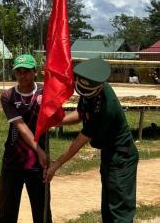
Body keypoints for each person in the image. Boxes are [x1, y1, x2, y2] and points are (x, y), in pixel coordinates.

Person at [45, 58, 139, 223]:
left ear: (100, 86)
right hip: (110, 153)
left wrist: (55, 165)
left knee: (120, 211)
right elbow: (81, 114)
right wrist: (55, 122)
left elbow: (79, 141)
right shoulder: (91, 87)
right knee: (109, 207)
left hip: (122, 156)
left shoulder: (106, 107)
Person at [0, 54, 50, 223]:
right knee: (7, 210)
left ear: (35, 72)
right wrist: (40, 150)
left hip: (38, 164)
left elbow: (57, 116)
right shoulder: (8, 96)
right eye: (18, 71)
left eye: (26, 71)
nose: (22, 75)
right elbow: (21, 126)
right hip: (14, 160)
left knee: (42, 210)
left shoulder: (45, 92)